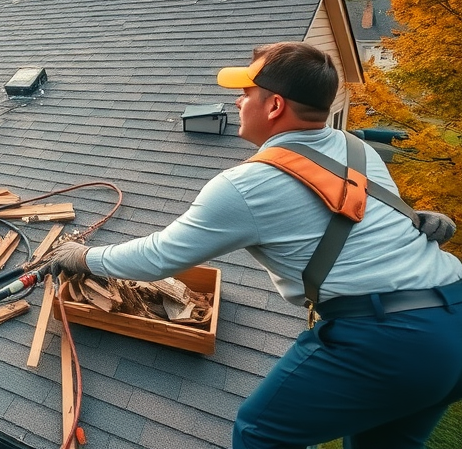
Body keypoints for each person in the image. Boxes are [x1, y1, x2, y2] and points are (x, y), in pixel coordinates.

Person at [44, 42, 462, 449]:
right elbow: (357, 214)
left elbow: (160, 257)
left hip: (391, 339)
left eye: (245, 94)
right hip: (453, 317)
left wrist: (85, 257)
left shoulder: (246, 185)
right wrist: (414, 216)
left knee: (261, 432)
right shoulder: (357, 149)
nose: (237, 104)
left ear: (275, 105)